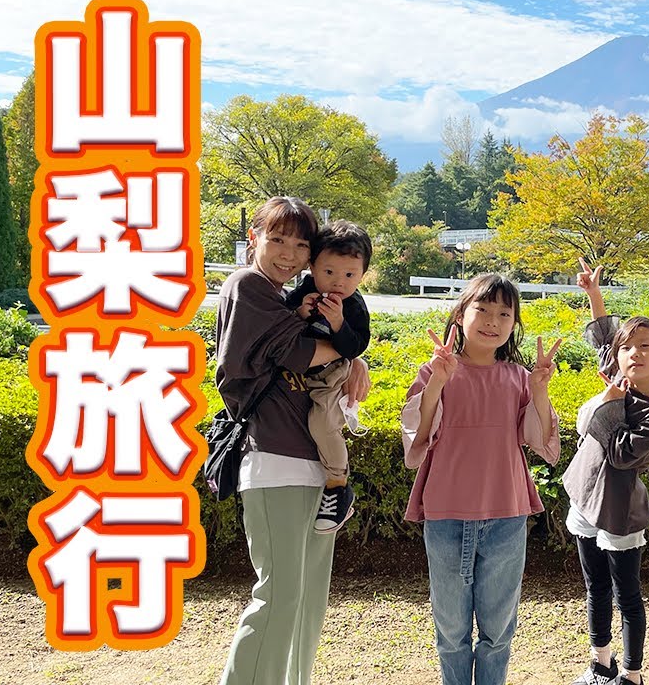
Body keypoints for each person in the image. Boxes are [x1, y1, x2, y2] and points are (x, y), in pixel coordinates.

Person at [217, 196, 372, 685]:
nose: (288, 253)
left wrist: (351, 357)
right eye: (277, 238)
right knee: (280, 595)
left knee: (306, 599)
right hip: (273, 457)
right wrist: (351, 357)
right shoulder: (249, 286)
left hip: (312, 465)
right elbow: (299, 352)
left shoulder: (291, 296)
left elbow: (325, 348)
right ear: (253, 238)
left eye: (300, 244)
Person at [399, 273, 563, 685]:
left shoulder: (519, 377)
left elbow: (541, 441)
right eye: (483, 309)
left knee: (498, 632)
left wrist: (540, 389)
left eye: (504, 313)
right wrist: (437, 380)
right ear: (461, 314)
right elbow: (418, 439)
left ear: (514, 323)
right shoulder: (434, 371)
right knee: (451, 633)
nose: (493, 320)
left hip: (507, 516)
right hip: (446, 515)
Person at [564, 259, 649, 685]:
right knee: (595, 588)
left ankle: (631, 674)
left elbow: (624, 455)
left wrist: (607, 405)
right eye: (628, 348)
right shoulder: (616, 376)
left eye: (645, 347)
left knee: (627, 594)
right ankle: (600, 662)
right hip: (585, 496)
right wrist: (594, 294)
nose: (634, 353)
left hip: (620, 509)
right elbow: (604, 339)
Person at [283, 219, 373, 534]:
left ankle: (338, 483)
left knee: (322, 423)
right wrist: (298, 314)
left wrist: (338, 324)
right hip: (296, 377)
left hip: (332, 374)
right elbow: (281, 324)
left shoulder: (355, 305)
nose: (338, 282)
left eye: (350, 275)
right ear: (312, 266)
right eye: (329, 272)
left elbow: (356, 346)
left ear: (362, 275)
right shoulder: (305, 291)